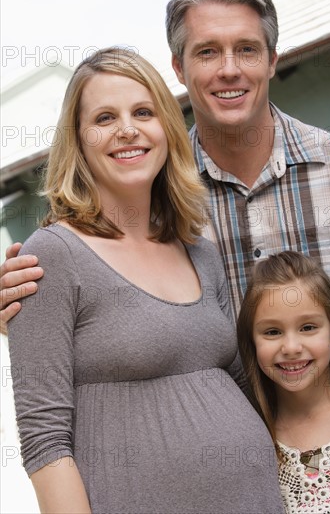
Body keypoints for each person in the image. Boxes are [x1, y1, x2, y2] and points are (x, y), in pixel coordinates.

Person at [1, 0, 330, 349]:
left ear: (271, 60)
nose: (228, 69)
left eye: (247, 49)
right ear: (178, 67)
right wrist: (24, 307)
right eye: (207, 52)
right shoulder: (147, 193)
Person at [6, 46, 284, 513]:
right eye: (104, 118)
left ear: (167, 130)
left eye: (142, 112)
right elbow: (44, 438)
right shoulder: (52, 255)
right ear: (78, 140)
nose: (127, 129)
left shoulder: (199, 250)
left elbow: (238, 387)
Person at [236, 250, 330, 513]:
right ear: (252, 342)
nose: (291, 347)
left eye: (308, 327)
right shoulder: (249, 438)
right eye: (272, 332)